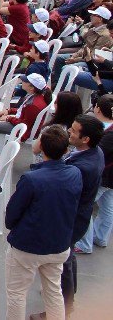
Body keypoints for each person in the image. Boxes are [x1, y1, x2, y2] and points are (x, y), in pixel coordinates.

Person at [4, 125, 82, 320]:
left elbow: (12, 213)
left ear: (42, 146)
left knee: (16, 294)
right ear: (66, 150)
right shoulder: (75, 173)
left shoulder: (32, 179)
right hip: (59, 245)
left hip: (27, 246)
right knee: (53, 290)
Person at [60, 115, 106, 312]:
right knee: (67, 258)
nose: (69, 132)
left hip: (71, 219)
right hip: (78, 217)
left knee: (64, 262)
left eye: (74, 130)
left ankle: (64, 305)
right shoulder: (92, 153)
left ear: (85, 139)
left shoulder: (82, 167)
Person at [75, 95, 113, 254]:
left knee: (84, 207)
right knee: (107, 207)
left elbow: (97, 154)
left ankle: (84, 243)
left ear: (98, 109)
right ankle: (100, 237)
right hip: (109, 178)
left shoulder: (108, 134)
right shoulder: (107, 129)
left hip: (105, 177)